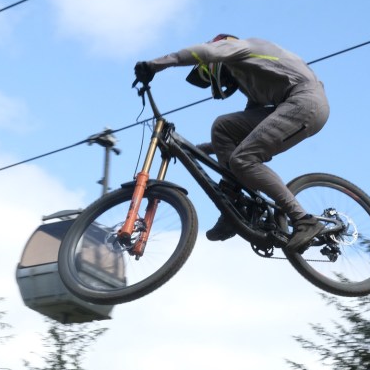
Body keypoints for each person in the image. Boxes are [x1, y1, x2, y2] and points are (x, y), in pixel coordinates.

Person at [134, 34, 330, 252]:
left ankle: (303, 219)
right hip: (290, 105)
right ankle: (233, 206)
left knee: (243, 159)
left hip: (304, 102)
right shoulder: (251, 83)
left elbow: (204, 52)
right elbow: (241, 137)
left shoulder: (240, 47)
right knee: (223, 127)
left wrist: (155, 65)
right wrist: (195, 149)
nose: (224, 84)